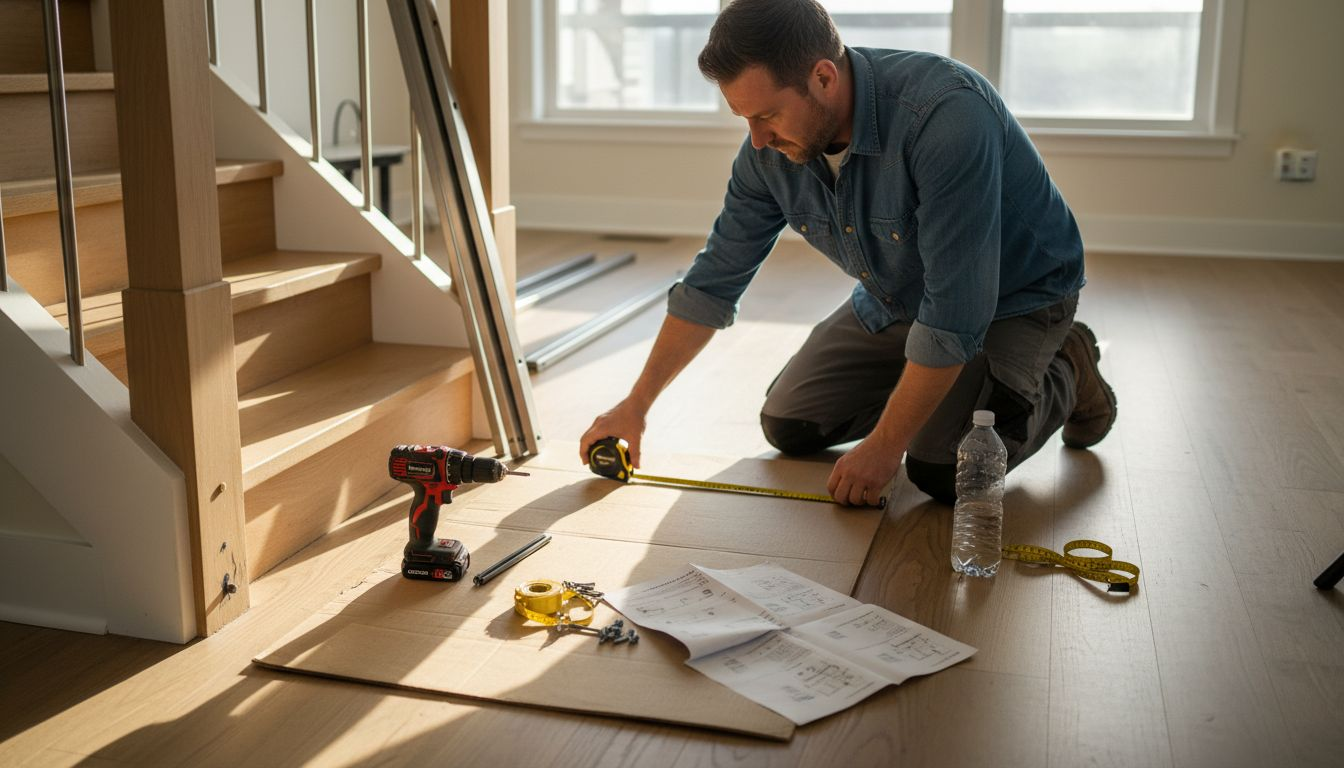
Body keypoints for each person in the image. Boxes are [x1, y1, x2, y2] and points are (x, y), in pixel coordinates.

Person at [579, 0, 1117, 507]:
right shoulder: (767, 155)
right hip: (899, 299)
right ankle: (931, 391)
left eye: (766, 115)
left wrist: (884, 449)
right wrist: (636, 406)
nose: (757, 140)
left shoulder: (946, 116)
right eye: (744, 119)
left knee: (941, 471)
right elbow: (712, 281)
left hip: (1016, 299)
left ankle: (1068, 363)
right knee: (790, 426)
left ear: (823, 77)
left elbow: (956, 315)